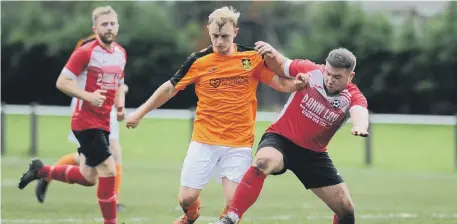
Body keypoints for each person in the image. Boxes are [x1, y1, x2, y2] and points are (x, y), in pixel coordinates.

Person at [125, 6, 305, 224]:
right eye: (215, 36)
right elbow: (170, 88)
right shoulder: (198, 61)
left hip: (239, 143)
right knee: (186, 198)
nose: (220, 41)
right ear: (208, 30)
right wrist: (140, 113)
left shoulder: (251, 58)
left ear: (235, 33)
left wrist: (296, 84)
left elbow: (278, 83)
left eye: (225, 36)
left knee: (233, 207)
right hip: (204, 139)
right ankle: (190, 216)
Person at [216, 41, 369, 224]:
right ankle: (230, 219)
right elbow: (281, 64)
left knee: (346, 210)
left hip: (314, 155)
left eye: (337, 77)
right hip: (280, 139)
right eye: (328, 73)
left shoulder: (353, 95)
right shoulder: (310, 70)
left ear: (350, 76)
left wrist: (360, 126)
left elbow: (360, 110)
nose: (329, 79)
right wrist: (271, 52)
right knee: (264, 161)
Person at [18, 6, 126, 224]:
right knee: (109, 168)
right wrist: (87, 96)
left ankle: (42, 171)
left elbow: (119, 82)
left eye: (112, 23)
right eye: (104, 24)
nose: (109, 27)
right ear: (95, 28)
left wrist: (121, 107)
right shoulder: (85, 52)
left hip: (104, 121)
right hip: (85, 122)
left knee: (88, 178)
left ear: (118, 26)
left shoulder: (121, 53)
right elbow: (62, 82)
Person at [34, 34, 128, 211]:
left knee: (112, 152)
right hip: (85, 106)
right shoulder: (85, 47)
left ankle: (113, 202)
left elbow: (117, 81)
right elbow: (70, 79)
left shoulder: (116, 51)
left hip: (106, 108)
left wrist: (120, 93)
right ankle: (46, 174)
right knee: (89, 166)